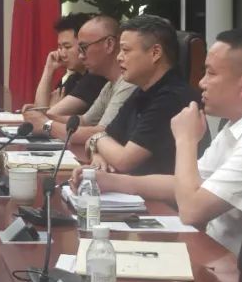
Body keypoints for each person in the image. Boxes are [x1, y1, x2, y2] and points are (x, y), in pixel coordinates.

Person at [73, 27, 242, 281]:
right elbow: (188, 183)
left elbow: (192, 210)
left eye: (211, 73)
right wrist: (111, 182)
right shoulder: (241, 123)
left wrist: (185, 139)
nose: (201, 83)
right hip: (222, 265)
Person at [86, 14, 202, 175]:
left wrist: (96, 139)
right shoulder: (142, 90)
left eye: (126, 50)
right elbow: (107, 137)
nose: (119, 58)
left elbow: (125, 161)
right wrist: (98, 153)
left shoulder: (172, 98)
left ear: (155, 53)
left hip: (164, 191)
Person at [24, 14, 135, 145]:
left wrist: (46, 125)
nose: (81, 56)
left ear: (109, 44)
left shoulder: (129, 83)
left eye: (84, 48)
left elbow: (103, 134)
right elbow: (84, 121)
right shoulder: (109, 85)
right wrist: (42, 116)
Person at [29, 12, 107, 114]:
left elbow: (42, 116)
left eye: (67, 47)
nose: (62, 54)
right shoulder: (73, 79)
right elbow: (39, 109)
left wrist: (50, 108)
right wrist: (49, 69)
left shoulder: (95, 78)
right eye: (60, 47)